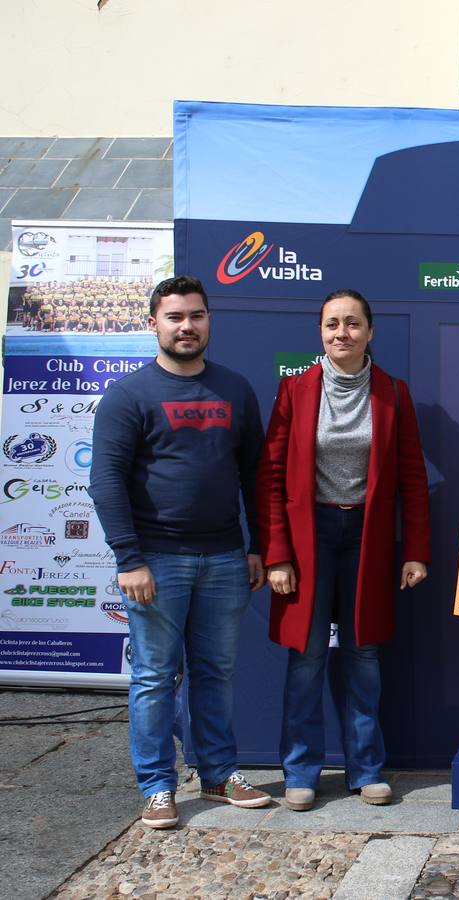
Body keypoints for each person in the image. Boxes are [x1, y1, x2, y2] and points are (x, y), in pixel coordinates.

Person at [90, 275, 270, 830]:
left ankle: (218, 774)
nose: (186, 326)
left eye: (196, 315)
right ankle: (158, 787)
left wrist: (257, 546)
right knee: (154, 677)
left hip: (222, 557)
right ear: (153, 325)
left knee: (215, 672)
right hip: (155, 561)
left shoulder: (235, 390)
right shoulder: (128, 396)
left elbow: (254, 477)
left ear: (209, 320)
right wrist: (129, 559)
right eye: (174, 317)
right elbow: (106, 483)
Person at [256, 289, 431, 811]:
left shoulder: (393, 394)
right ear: (320, 333)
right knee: (306, 657)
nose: (341, 333)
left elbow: (413, 481)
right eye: (332, 324)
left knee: (364, 656)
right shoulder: (295, 390)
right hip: (309, 538)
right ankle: (300, 771)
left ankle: (367, 769)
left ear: (369, 332)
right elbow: (270, 478)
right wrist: (276, 555)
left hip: (368, 536)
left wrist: (415, 550)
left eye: (352, 324)